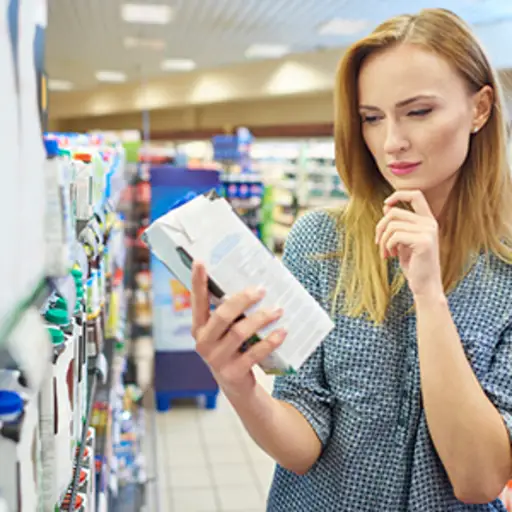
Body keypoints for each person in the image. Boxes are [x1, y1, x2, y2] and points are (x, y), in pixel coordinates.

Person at [191, 8, 512, 511]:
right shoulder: (321, 243)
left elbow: (479, 479)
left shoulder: (505, 271)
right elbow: (304, 443)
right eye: (372, 118)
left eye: (419, 111)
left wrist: (430, 295)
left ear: (480, 109)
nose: (392, 142)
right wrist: (240, 386)